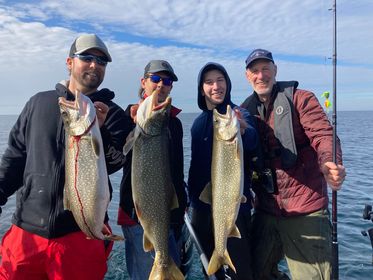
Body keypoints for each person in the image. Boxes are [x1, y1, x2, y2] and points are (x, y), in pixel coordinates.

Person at [0, 34, 128, 279]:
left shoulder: (112, 114)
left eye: (101, 62)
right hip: (26, 232)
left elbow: (114, 163)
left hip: (79, 234)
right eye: (87, 58)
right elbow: (15, 158)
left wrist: (101, 133)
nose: (94, 65)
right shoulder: (38, 103)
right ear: (70, 62)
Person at [241, 48, 347, 280]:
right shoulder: (244, 111)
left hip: (305, 210)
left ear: (275, 70)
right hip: (266, 210)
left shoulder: (301, 98)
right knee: (254, 273)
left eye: (266, 69)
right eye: (255, 71)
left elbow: (323, 134)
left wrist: (330, 161)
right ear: (248, 76)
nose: (261, 76)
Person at [117, 60, 188, 279]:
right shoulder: (127, 119)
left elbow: (176, 169)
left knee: (167, 263)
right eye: (155, 79)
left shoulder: (174, 123)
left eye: (166, 81)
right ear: (144, 82)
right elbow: (117, 154)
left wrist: (182, 205)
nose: (161, 85)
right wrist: (130, 118)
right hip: (138, 214)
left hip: (171, 215)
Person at [187, 62, 258, 280]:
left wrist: (243, 130)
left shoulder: (239, 114)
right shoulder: (197, 124)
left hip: (234, 208)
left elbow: (254, 142)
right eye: (209, 82)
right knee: (212, 272)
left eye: (220, 80)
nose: (216, 86)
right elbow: (195, 167)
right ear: (202, 89)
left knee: (239, 272)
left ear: (227, 83)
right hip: (201, 210)